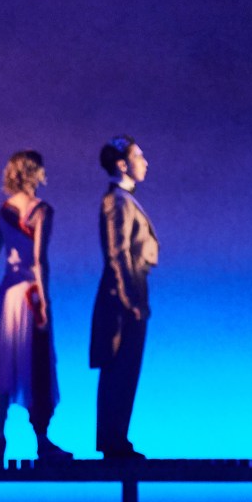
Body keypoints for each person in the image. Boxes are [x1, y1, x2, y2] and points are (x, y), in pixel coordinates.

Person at [0, 151, 72, 461]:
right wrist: (44, 302)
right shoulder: (41, 210)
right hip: (31, 295)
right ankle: (42, 440)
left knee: (3, 365)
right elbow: (39, 260)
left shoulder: (4, 210)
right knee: (37, 363)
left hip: (8, 295)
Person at [89, 135, 159, 460]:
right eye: (138, 156)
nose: (144, 162)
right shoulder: (117, 201)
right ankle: (113, 441)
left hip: (130, 286)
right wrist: (131, 299)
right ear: (122, 164)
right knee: (120, 365)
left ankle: (117, 439)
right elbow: (117, 253)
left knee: (126, 367)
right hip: (124, 290)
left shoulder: (124, 200)